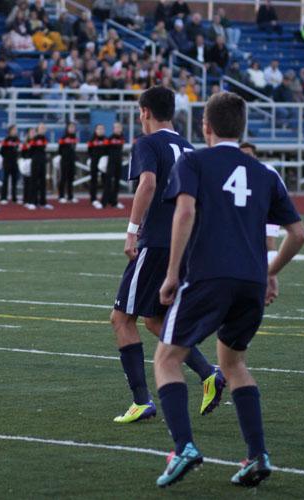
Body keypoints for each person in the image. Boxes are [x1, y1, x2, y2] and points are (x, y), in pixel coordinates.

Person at [154, 91, 304, 487]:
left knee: (167, 358)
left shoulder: (194, 160)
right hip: (251, 282)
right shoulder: (265, 172)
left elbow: (185, 212)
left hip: (208, 275)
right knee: (235, 363)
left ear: (205, 127)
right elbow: (298, 233)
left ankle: (184, 446)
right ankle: (257, 455)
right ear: (242, 130)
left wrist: (171, 274)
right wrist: (271, 271)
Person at [111, 86, 223, 423]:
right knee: (156, 320)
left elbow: (147, 183)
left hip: (157, 241)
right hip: (182, 244)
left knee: (121, 318)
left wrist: (132, 231)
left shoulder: (148, 143)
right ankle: (208, 373)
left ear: (144, 111)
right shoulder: (189, 147)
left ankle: (142, 400)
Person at [102, 122, 125, 209]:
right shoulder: (109, 139)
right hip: (110, 163)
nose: (118, 129)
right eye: (116, 127)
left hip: (118, 163)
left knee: (116, 183)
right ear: (113, 129)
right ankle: (104, 202)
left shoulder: (122, 138)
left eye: (119, 127)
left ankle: (114, 202)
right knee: (108, 182)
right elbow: (105, 150)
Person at [87, 124, 109, 209]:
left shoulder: (106, 139)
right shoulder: (92, 139)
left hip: (103, 163)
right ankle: (93, 199)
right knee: (94, 181)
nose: (101, 130)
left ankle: (106, 199)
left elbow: (108, 150)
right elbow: (89, 150)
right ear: (95, 130)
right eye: (99, 129)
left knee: (105, 180)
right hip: (94, 161)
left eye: (102, 129)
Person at [28, 123, 50, 209]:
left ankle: (43, 202)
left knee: (43, 183)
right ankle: (32, 202)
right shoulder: (35, 139)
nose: (43, 129)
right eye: (41, 128)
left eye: (44, 128)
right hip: (35, 161)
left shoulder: (45, 139)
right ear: (38, 129)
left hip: (42, 162)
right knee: (34, 182)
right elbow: (30, 151)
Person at [57, 122, 78, 203]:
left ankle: (70, 196)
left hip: (72, 160)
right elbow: (59, 150)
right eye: (70, 127)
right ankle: (61, 196)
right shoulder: (63, 138)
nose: (72, 129)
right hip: (64, 160)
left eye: (73, 127)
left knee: (71, 178)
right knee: (63, 178)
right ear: (67, 128)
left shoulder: (75, 137)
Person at [0, 125, 21, 205]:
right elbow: (2, 151)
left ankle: (14, 198)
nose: (15, 131)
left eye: (16, 130)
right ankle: (3, 197)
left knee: (15, 181)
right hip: (7, 162)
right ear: (10, 131)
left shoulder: (17, 140)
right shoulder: (6, 140)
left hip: (15, 163)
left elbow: (19, 150)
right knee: (5, 180)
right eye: (14, 130)